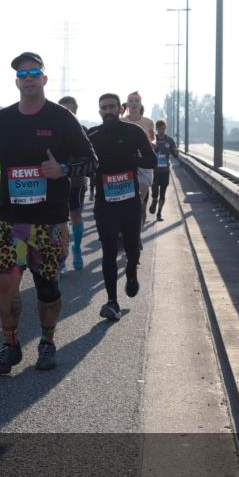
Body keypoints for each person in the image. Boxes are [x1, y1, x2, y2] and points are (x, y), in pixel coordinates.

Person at [0, 53, 95, 375]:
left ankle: (47, 341)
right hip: (9, 219)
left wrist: (63, 170)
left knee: (47, 287)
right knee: (6, 284)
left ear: (44, 79)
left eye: (34, 72)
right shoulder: (1, 120)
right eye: (22, 74)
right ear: (16, 81)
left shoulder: (61, 119)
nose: (28, 78)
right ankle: (10, 345)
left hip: (49, 220)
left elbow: (92, 161)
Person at [87, 93, 157, 321]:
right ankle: (112, 301)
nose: (108, 110)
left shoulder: (134, 132)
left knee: (131, 247)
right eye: (104, 107)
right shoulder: (93, 135)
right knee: (108, 250)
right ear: (99, 112)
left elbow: (152, 161)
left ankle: (132, 271)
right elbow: (81, 161)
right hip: (105, 204)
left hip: (129, 202)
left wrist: (133, 160)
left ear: (121, 109)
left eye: (112, 107)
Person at [57, 96, 88, 272]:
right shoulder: (50, 130)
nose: (67, 113)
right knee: (59, 221)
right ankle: (61, 257)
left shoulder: (82, 130)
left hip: (77, 182)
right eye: (63, 109)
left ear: (76, 111)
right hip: (56, 183)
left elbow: (89, 158)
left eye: (70, 110)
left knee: (75, 215)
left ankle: (76, 249)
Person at [122, 92, 156, 226]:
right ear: (127, 104)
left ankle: (136, 232)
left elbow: (152, 139)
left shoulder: (148, 122)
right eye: (131, 101)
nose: (134, 103)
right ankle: (128, 231)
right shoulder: (122, 121)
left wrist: (151, 144)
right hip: (127, 164)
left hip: (144, 165)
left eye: (137, 101)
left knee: (138, 201)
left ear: (140, 104)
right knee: (128, 203)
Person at [149, 119, 179, 221]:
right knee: (155, 191)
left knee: (163, 193)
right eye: (159, 128)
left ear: (165, 128)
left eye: (163, 128)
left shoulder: (169, 140)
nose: (161, 130)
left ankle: (159, 213)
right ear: (156, 129)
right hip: (154, 170)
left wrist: (176, 152)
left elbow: (175, 154)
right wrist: (152, 147)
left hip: (165, 171)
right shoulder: (153, 139)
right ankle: (154, 201)